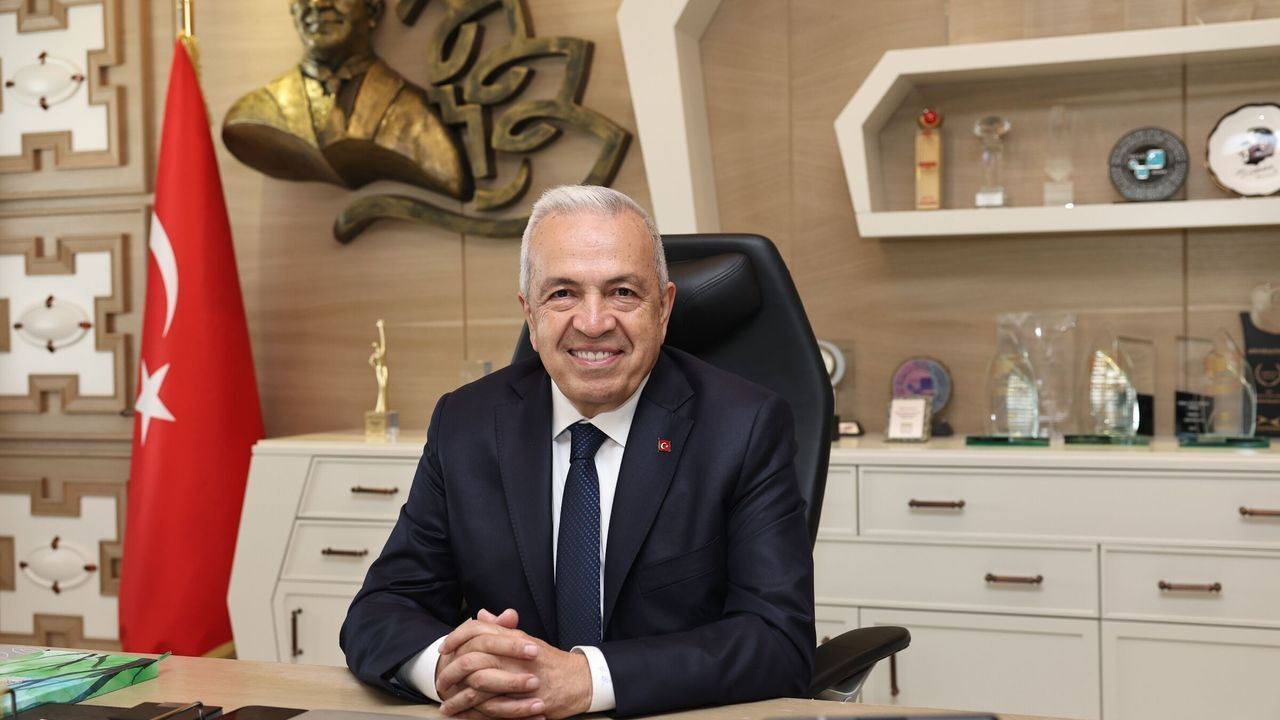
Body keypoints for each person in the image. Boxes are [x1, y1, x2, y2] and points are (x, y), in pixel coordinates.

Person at [340, 185, 815, 718]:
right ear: (530, 314)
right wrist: (450, 670)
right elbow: (381, 609)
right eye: (563, 293)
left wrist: (587, 679)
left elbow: (777, 641)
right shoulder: (466, 422)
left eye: (622, 293)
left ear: (664, 309)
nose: (593, 323)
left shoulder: (744, 427)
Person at [222, 0, 471, 199]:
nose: (318, 4)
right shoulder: (256, 113)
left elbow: (450, 175)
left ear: (373, 10)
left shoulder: (415, 115)